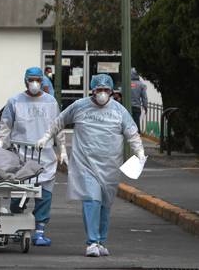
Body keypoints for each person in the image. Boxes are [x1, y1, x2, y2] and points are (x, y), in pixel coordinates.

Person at [35, 74, 146, 257]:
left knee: (105, 204)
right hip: (86, 164)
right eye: (99, 90)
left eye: (106, 90)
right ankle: (92, 242)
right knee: (92, 201)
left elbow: (132, 133)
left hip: (110, 166)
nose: (102, 93)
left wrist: (139, 152)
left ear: (111, 92)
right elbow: (59, 121)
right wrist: (46, 137)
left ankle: (101, 241)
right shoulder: (79, 106)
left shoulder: (119, 111)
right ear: (92, 90)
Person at [0, 66, 68, 246]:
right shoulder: (14, 102)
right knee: (18, 196)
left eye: (38, 80)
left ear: (42, 81)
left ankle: (40, 231)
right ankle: (15, 227)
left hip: (46, 158)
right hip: (21, 157)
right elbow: (5, 127)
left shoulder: (51, 102)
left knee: (44, 196)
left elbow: (58, 128)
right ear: (25, 81)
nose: (34, 83)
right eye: (31, 80)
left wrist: (63, 150)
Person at [131, 68, 148, 133]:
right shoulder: (141, 85)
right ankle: (137, 136)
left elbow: (120, 94)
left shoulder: (126, 83)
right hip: (136, 107)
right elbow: (144, 98)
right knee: (136, 122)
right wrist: (145, 107)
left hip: (126, 107)